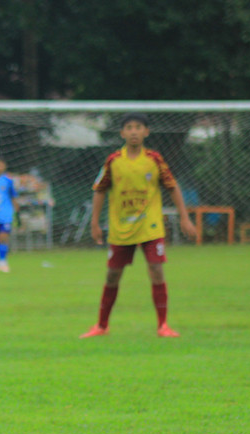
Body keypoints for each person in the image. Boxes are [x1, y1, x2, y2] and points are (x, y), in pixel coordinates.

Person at [80, 112, 196, 338]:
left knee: (156, 270)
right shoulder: (114, 160)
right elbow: (99, 190)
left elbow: (172, 186)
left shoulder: (154, 159)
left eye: (138, 127)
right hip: (120, 228)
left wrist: (184, 217)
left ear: (146, 131)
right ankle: (102, 326)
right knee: (112, 275)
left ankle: (163, 325)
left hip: (150, 227)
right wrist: (94, 223)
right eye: (129, 127)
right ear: (122, 133)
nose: (134, 131)